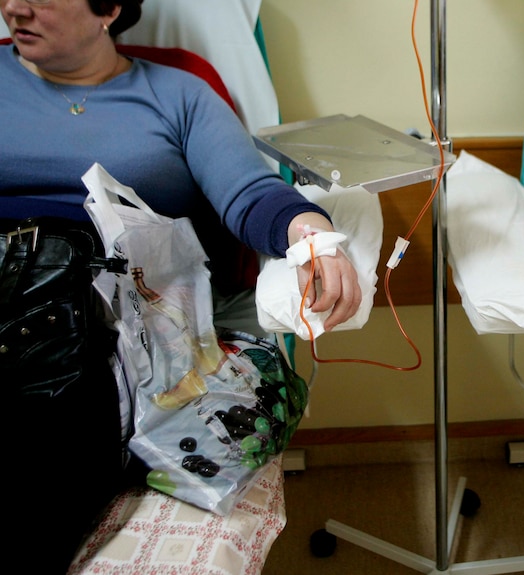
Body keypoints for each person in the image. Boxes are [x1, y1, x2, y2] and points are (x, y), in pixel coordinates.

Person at [1, 0, 361, 571]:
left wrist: (308, 231)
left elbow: (247, 192)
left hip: (101, 319)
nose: (14, 7)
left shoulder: (178, 94)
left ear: (108, 9)